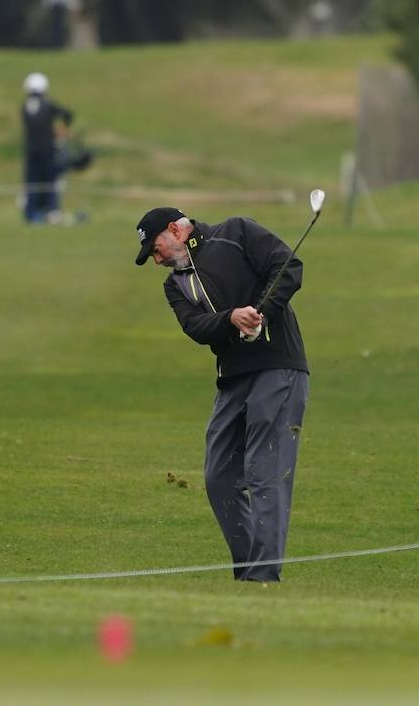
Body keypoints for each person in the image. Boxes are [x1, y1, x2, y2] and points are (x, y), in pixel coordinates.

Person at [133, 207, 310, 582]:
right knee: (218, 477)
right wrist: (232, 319)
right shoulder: (174, 285)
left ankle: (262, 576)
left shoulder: (237, 232)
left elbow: (289, 268)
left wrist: (260, 314)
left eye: (156, 248)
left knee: (265, 471)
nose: (157, 259)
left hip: (278, 367)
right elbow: (196, 327)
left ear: (174, 231)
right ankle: (248, 571)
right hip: (231, 378)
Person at [21, 72, 75, 223]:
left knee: (32, 183)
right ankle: (52, 211)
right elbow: (68, 114)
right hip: (48, 151)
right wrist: (63, 130)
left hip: (31, 152)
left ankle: (31, 214)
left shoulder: (25, 107)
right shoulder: (48, 105)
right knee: (50, 181)